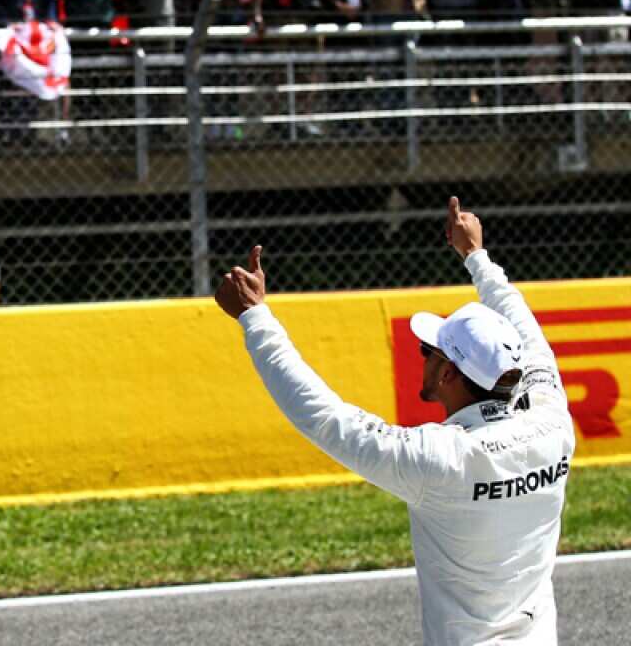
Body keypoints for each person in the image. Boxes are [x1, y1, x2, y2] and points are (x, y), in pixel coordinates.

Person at [215, 196, 574, 646]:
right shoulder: (552, 419)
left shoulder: (438, 458)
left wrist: (255, 318)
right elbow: (528, 334)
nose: (421, 356)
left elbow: (323, 416)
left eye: (429, 350)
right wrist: (476, 256)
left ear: (447, 374)